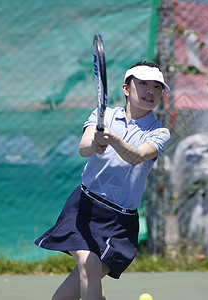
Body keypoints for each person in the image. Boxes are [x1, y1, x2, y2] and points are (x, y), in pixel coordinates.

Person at [35, 61, 171, 300]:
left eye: (157, 87)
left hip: (121, 222)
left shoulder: (160, 132)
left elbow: (137, 157)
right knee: (89, 265)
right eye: (143, 84)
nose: (151, 90)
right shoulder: (104, 115)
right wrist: (96, 143)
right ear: (127, 89)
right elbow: (83, 149)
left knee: (65, 296)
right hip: (85, 209)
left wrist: (112, 138)